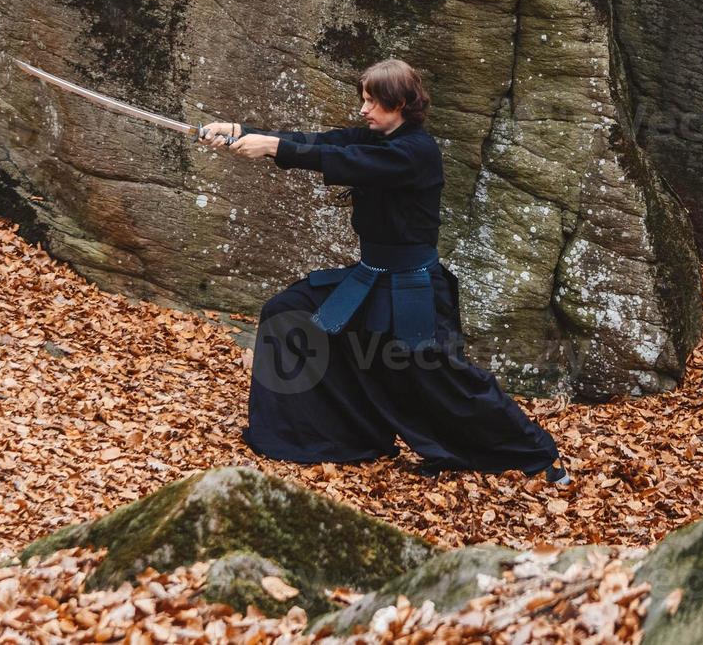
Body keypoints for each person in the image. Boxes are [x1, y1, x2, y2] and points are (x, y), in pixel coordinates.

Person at [197, 58, 572, 485]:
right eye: (364, 100)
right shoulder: (374, 136)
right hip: (372, 278)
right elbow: (319, 142)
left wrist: (272, 149)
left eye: (373, 102)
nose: (363, 110)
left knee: (444, 379)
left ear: (401, 103)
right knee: (289, 312)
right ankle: (331, 439)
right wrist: (241, 133)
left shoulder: (416, 152)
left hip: (413, 290)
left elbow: (344, 162)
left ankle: (537, 454)